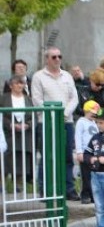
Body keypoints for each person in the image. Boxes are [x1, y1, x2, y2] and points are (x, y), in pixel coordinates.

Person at [30, 47, 79, 200]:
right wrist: (54, 114)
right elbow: (37, 100)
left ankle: (68, 189)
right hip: (47, 122)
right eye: (53, 57)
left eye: (59, 56)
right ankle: (45, 189)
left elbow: (74, 98)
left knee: (67, 157)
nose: (57, 59)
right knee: (47, 156)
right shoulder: (38, 77)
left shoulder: (67, 76)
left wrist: (64, 113)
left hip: (66, 121)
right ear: (47, 59)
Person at [1, 75, 34, 186]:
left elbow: (34, 116)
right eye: (17, 83)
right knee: (4, 160)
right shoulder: (3, 98)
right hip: (7, 134)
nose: (20, 85)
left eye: (22, 83)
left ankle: (18, 187)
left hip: (24, 135)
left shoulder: (28, 99)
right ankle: (2, 186)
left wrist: (28, 125)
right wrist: (10, 124)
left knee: (21, 160)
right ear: (10, 86)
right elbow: (1, 115)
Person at [74, 100, 101, 204]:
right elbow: (78, 137)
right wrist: (79, 151)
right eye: (92, 112)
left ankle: (93, 194)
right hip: (85, 153)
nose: (94, 115)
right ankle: (85, 194)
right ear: (86, 110)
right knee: (86, 175)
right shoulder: (81, 122)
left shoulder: (95, 123)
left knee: (95, 175)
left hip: (95, 153)